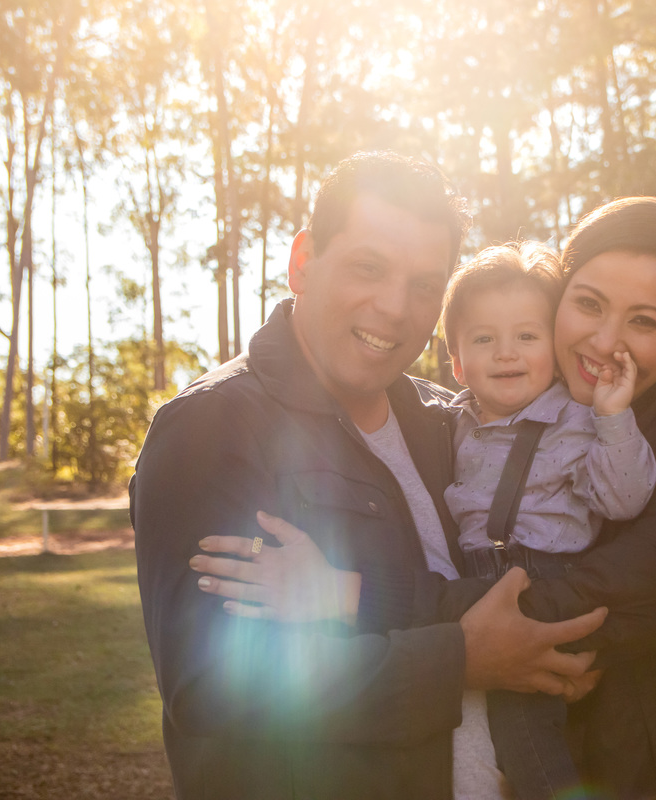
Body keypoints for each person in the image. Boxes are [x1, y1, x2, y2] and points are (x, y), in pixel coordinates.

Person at [194, 196, 656, 798]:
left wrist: (344, 592)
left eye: (643, 321)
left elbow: (563, 606)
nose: (604, 340)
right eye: (588, 304)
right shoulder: (525, 422)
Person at [130, 151, 607, 800]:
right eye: (368, 267)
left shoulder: (450, 421)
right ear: (303, 263)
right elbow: (216, 686)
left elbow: (533, 570)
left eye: (422, 285)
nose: (394, 307)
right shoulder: (210, 427)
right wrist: (462, 658)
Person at [440, 242, 656, 799]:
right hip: (473, 591)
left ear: (554, 349)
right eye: (484, 339)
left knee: (526, 735)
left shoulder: (574, 420)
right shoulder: (451, 423)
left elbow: (624, 498)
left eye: (527, 336)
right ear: (457, 361)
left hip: (543, 586)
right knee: (470, 742)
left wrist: (613, 417)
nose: (506, 353)